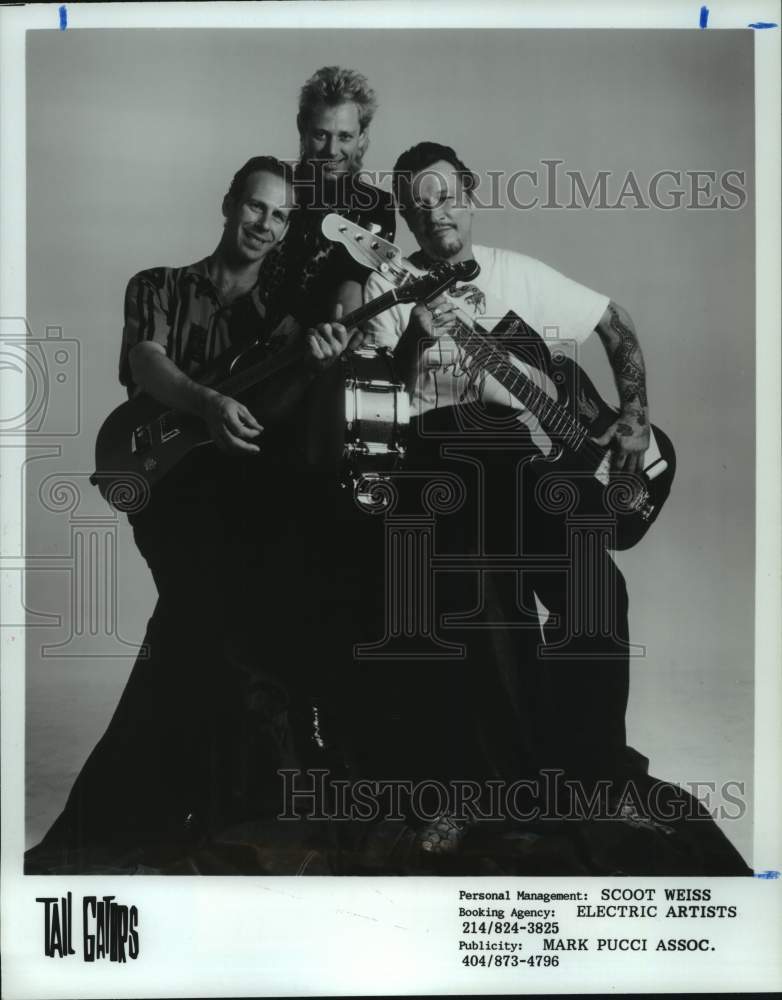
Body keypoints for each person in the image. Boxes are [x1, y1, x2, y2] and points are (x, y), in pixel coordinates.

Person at [26, 156, 354, 869]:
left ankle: (179, 813)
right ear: (229, 203)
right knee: (215, 610)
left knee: (205, 623)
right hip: (163, 485)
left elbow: (289, 411)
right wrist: (206, 402)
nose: (265, 226)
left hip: (239, 494)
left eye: (279, 216)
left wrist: (322, 361)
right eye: (255, 208)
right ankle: (211, 812)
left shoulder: (285, 317)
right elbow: (145, 363)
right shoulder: (160, 285)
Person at [360, 141, 652, 844]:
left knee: (597, 591)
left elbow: (616, 325)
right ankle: (461, 795)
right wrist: (411, 344)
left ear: (471, 193)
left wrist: (634, 415)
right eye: (418, 202)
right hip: (437, 466)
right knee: (473, 605)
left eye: (446, 194)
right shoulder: (388, 285)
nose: (436, 212)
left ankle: (598, 782)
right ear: (403, 214)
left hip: (526, 463)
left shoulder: (518, 273)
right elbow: (372, 398)